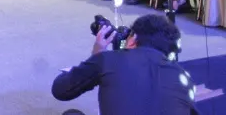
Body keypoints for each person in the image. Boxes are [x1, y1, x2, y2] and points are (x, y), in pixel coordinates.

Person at [51, 13, 196, 114]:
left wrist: (96, 55)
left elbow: (60, 90)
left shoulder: (107, 59)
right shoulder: (183, 77)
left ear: (133, 39)